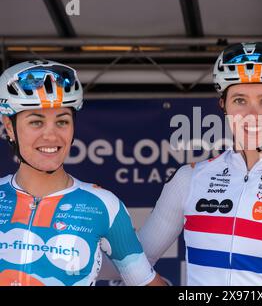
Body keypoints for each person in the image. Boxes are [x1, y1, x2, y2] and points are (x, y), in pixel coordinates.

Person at [102, 42, 262, 286]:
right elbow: (131, 264)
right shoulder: (189, 180)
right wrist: (74, 248)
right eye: (240, 100)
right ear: (223, 105)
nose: (252, 114)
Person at [0, 60, 165, 286]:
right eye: (36, 122)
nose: (51, 136)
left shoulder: (103, 205)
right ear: (9, 127)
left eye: (62, 122)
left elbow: (147, 282)